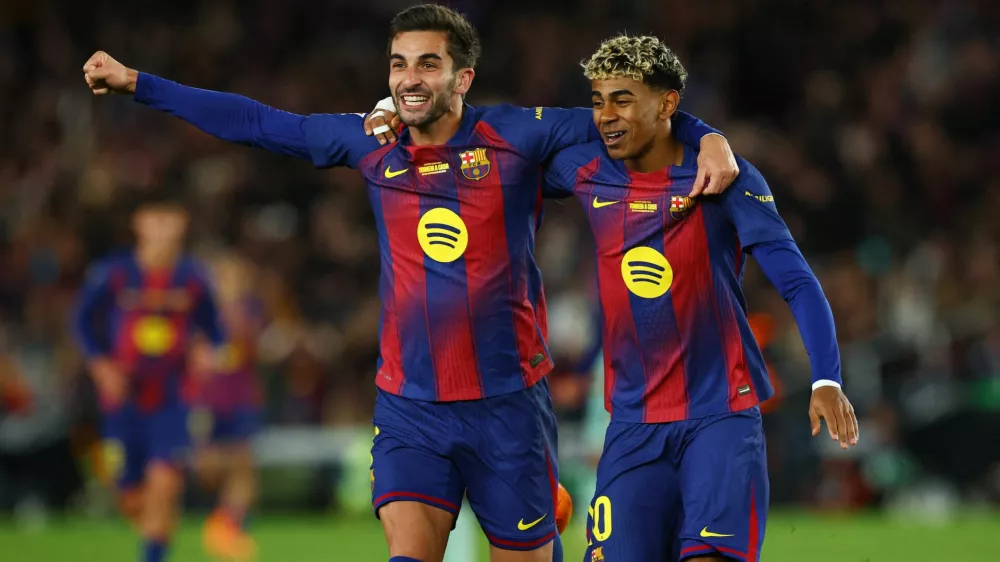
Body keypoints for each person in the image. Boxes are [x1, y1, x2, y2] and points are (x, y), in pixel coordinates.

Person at [80, 5, 740, 561]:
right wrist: (139, 82)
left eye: (428, 63)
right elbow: (258, 123)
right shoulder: (372, 144)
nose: (409, 77)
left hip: (508, 405)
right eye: (399, 63)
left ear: (462, 77)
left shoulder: (518, 135)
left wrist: (704, 135)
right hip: (409, 407)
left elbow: (626, 116)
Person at [539, 35, 860, 562]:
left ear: (666, 104)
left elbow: (797, 281)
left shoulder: (724, 177)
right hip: (632, 427)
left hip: (720, 418)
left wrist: (826, 378)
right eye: (597, 100)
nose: (604, 115)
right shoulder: (584, 169)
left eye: (622, 99)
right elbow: (502, 149)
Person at [72, 192, 225, 562]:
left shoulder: (192, 277)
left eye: (169, 219)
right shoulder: (115, 273)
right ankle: (154, 540)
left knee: (166, 482)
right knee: (132, 498)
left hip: (172, 397)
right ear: (138, 223)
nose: (162, 229)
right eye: (154, 219)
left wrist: (206, 351)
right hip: (122, 399)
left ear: (182, 223)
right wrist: (101, 365)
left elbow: (214, 329)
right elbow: (80, 321)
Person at [190, 254, 265, 562]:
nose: (228, 283)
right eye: (222, 277)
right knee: (208, 467)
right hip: (207, 400)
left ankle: (228, 527)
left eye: (233, 277)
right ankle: (221, 520)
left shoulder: (249, 311)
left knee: (244, 465)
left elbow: (250, 344)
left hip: (242, 398)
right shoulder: (199, 313)